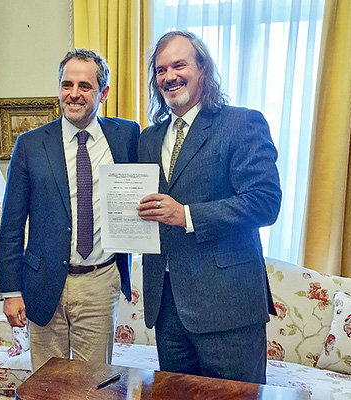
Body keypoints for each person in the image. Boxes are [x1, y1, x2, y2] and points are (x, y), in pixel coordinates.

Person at [136, 31, 282, 384]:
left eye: (179, 65)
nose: (169, 76)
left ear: (203, 68)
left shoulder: (241, 123)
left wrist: (185, 215)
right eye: (160, 70)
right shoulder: (149, 138)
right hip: (167, 308)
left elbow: (265, 202)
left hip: (228, 308)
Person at [0, 49, 140, 370]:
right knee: (47, 384)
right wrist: (11, 291)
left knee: (94, 386)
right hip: (42, 283)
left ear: (103, 93)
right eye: (67, 84)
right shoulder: (30, 144)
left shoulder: (126, 135)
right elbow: (11, 225)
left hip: (100, 282)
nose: (73, 94)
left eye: (84, 86)